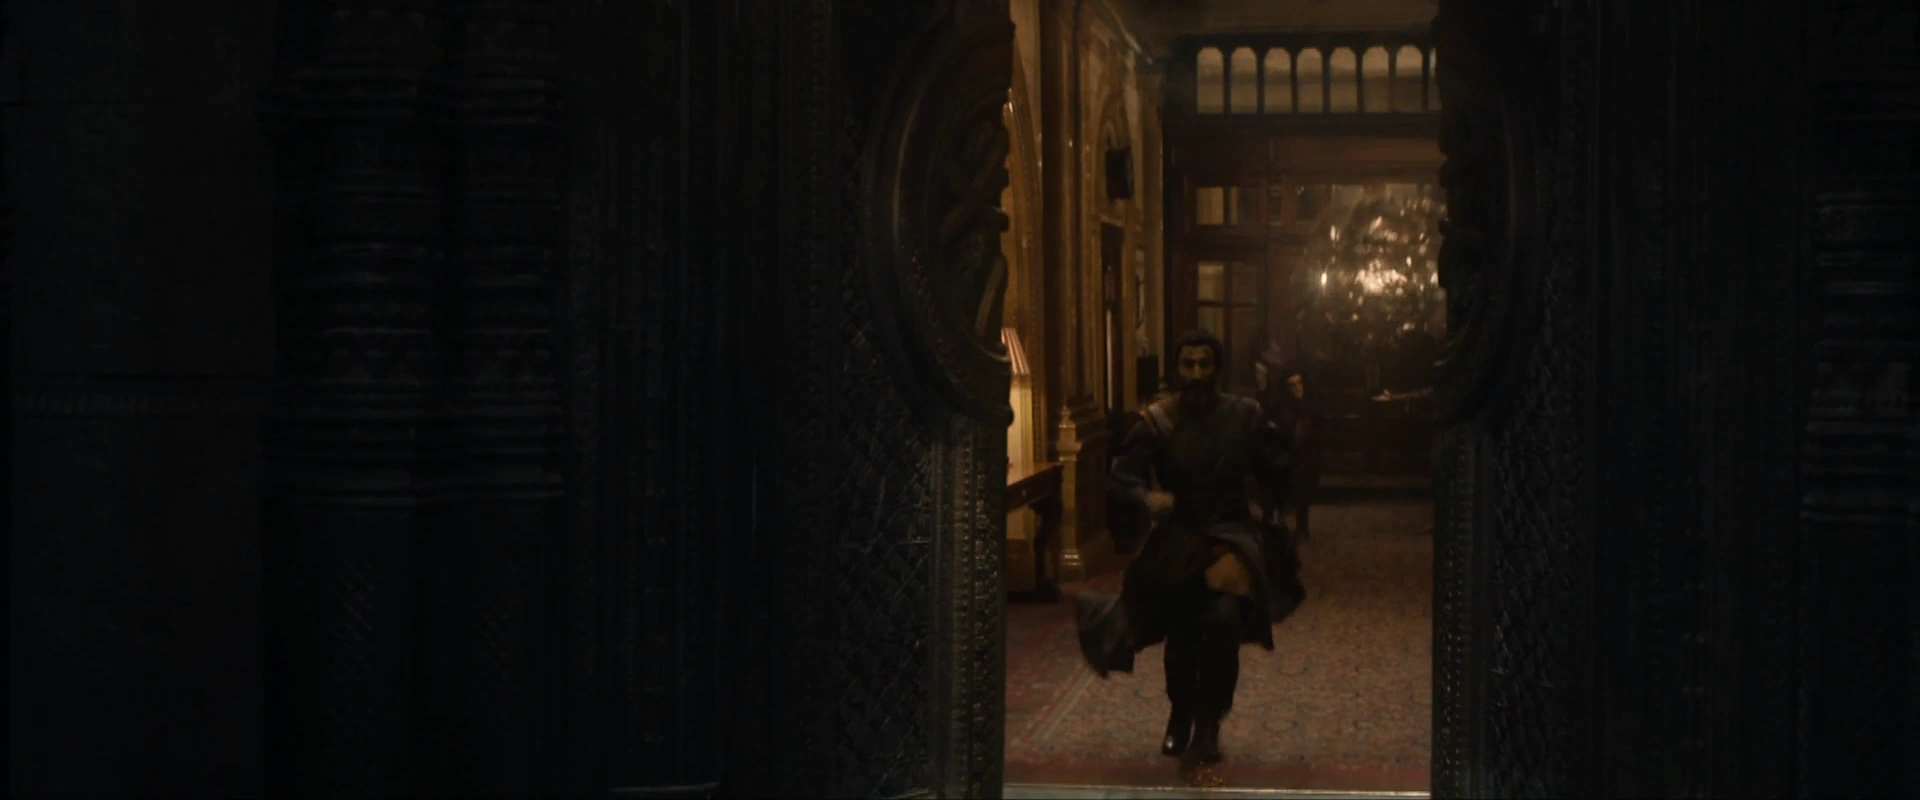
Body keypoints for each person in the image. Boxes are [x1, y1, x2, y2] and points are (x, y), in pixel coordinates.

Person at [1074, 329, 1306, 765]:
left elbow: (1278, 463)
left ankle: (1209, 722)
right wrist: (1147, 497)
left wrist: (1276, 502)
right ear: (1177, 369)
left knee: (1222, 622)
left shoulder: (1244, 415)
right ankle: (1180, 714)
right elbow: (1121, 477)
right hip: (1178, 538)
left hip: (1230, 536)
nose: (1196, 374)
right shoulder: (1158, 420)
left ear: (1217, 369)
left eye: (1204, 364)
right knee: (1180, 628)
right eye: (1188, 364)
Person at [1266, 362, 1324, 540]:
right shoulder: (1282, 405)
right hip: (1287, 453)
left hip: (1306, 454)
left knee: (1303, 491)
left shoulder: (1311, 402)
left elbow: (1318, 426)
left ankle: (1302, 526)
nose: (1297, 387)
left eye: (1299, 383)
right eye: (1292, 384)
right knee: (1284, 491)